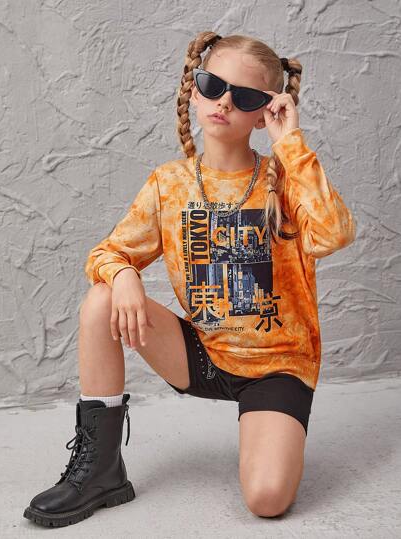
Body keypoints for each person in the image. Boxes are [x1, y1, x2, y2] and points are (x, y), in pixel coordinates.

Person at [23, 31, 356, 527]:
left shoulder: (286, 179)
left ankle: (269, 430)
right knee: (102, 298)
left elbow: (333, 233)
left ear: (264, 112)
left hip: (277, 366)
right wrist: (125, 275)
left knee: (267, 500)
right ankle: (102, 470)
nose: (224, 102)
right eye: (213, 85)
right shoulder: (169, 183)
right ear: (194, 91)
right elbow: (108, 252)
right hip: (202, 354)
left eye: (245, 96)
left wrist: (290, 144)